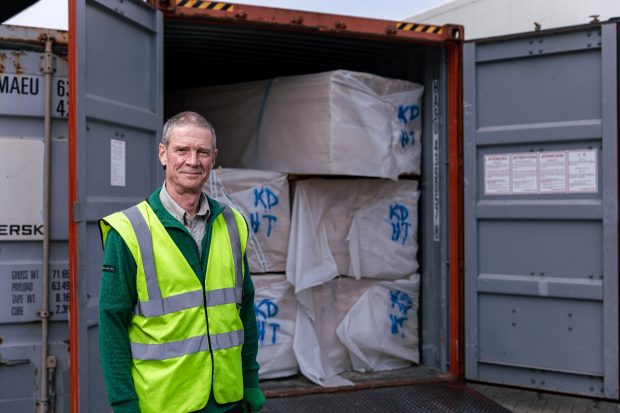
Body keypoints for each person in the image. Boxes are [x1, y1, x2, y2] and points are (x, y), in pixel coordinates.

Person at [98, 111, 265, 413]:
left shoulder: (232, 224)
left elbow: (245, 311)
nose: (193, 160)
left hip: (227, 402)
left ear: (213, 158)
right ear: (163, 154)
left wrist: (251, 381)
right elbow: (112, 326)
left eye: (202, 152)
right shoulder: (129, 231)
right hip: (162, 405)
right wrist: (123, 403)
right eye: (182, 150)